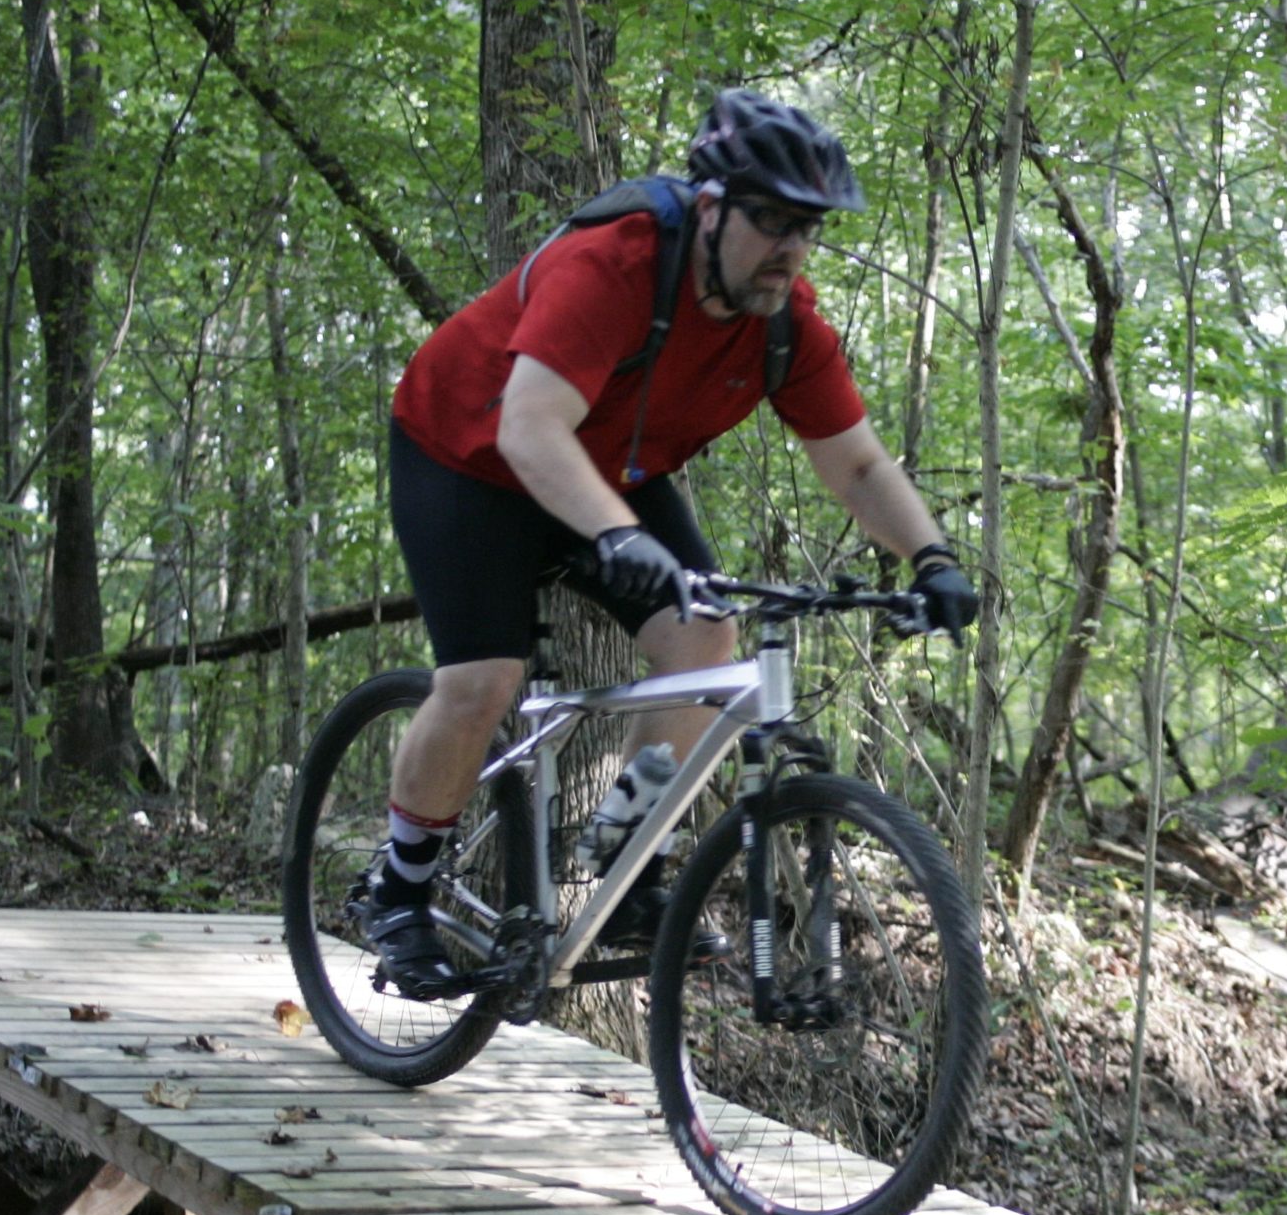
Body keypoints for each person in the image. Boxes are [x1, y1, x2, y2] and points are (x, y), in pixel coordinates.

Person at [366, 89, 978, 997]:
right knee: (483, 679)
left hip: (609, 469)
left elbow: (854, 465)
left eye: (805, 227)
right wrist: (615, 535)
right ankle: (399, 889)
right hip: (468, 453)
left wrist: (933, 557)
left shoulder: (787, 327)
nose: (789, 247)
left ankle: (619, 859)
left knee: (703, 641)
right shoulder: (613, 269)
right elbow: (530, 429)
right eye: (769, 218)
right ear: (710, 207)